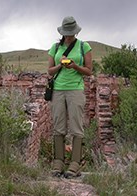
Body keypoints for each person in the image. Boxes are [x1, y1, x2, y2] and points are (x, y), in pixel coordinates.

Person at [47, 16, 92, 178]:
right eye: (66, 33)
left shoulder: (83, 46)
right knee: (58, 125)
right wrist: (61, 64)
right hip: (58, 89)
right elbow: (50, 71)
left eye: (71, 33)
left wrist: (74, 66)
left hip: (76, 89)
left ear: (75, 31)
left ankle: (75, 163)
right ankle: (58, 162)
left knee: (76, 126)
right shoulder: (55, 47)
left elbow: (89, 71)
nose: (68, 36)